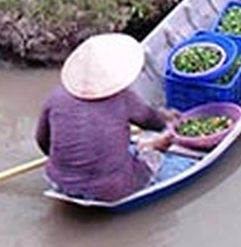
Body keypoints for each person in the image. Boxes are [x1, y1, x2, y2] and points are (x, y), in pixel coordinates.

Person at [34, 33, 178, 202]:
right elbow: (151, 121)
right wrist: (170, 120)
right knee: (153, 158)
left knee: (123, 147)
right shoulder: (122, 98)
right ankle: (147, 147)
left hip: (59, 182)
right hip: (111, 189)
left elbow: (42, 141)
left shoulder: (56, 96)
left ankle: (141, 147)